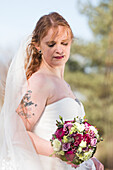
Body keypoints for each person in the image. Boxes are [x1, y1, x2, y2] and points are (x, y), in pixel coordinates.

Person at [0, 12, 104, 170]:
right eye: (51, 44)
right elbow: (16, 133)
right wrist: (60, 152)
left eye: (64, 43)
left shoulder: (65, 85)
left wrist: (89, 158)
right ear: (37, 45)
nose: (59, 50)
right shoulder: (40, 82)